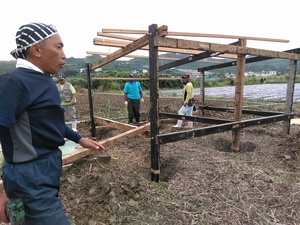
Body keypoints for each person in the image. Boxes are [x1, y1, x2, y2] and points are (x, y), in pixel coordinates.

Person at [0, 22, 105, 225]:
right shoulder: (16, 82)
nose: (64, 54)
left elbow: (50, 123)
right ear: (36, 49)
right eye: (58, 47)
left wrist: (80, 139)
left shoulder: (45, 80)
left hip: (47, 167)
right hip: (29, 175)